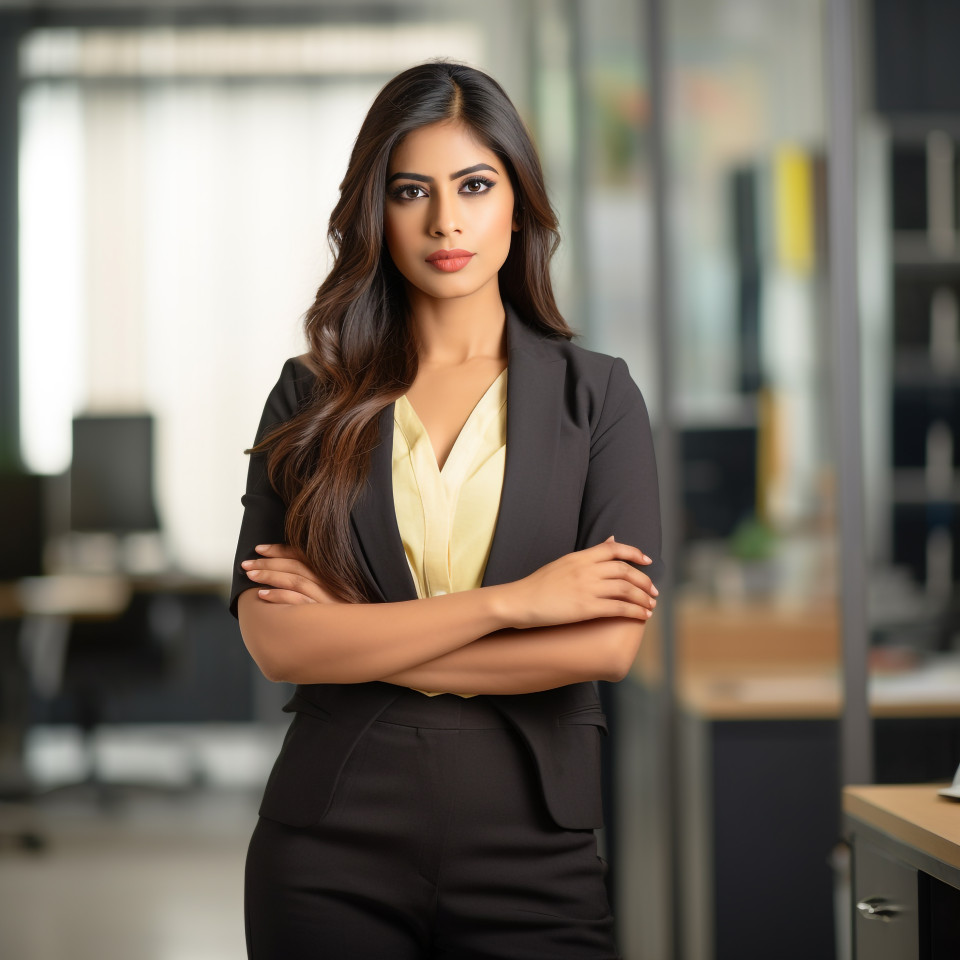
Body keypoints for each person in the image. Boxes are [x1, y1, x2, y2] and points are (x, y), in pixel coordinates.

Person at [230, 60, 663, 960]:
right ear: (373, 213)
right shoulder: (309, 396)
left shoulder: (600, 399)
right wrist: (518, 605)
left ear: (519, 201)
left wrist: (363, 638)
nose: (445, 221)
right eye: (410, 191)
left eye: (474, 184)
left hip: (535, 855)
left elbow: (608, 645)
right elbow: (278, 646)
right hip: (328, 848)